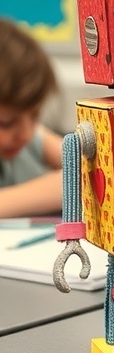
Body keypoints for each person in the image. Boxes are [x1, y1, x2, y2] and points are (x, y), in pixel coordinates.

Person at [0, 18, 63, 216]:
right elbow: (81, 180)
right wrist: (70, 184)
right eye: (6, 122)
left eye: (35, 116)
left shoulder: (30, 138)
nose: (26, 134)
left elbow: (84, 164)